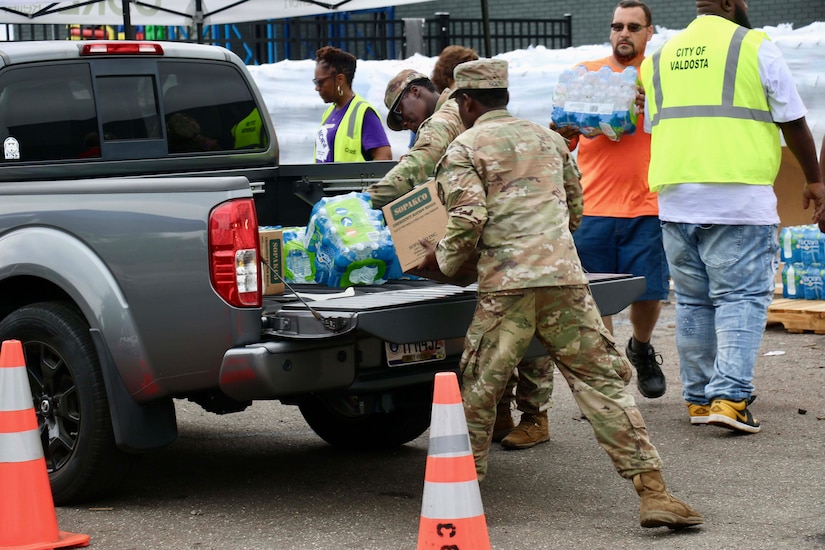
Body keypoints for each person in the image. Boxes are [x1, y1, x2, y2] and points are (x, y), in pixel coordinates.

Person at [419, 58, 703, 530]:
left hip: (507, 288)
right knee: (603, 384)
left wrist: (442, 264)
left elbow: (467, 222)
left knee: (480, 388)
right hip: (565, 281)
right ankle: (654, 492)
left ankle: (460, 499)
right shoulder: (550, 139)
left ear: (466, 102)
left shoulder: (465, 146)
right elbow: (575, 211)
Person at [640, 0, 825, 432]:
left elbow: (656, 126)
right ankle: (731, 397)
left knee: (692, 302)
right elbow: (792, 118)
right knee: (740, 298)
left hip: (676, 199)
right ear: (729, 3)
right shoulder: (754, 45)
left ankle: (701, 400)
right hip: (737, 198)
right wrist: (815, 180)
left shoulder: (660, 58)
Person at [368, 49, 555, 451]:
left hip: (510, 241)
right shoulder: (469, 111)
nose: (405, 123)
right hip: (495, 239)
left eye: (402, 113)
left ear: (418, 92)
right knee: (505, 330)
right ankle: (505, 413)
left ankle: (534, 416)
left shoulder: (447, 115)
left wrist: (367, 200)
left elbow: (420, 164)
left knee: (521, 329)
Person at [554, 0, 668, 400]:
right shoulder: (588, 75)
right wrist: (564, 123)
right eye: (617, 26)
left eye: (634, 27)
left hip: (648, 203)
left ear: (649, 33)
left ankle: (640, 347)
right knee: (596, 294)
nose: (624, 33)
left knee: (650, 291)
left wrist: (652, 109)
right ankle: (607, 376)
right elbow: (562, 139)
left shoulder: (659, 77)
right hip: (595, 206)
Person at [313, 46, 391, 163]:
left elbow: (384, 158)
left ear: (340, 79)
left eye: (320, 82)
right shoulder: (329, 113)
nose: (317, 88)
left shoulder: (364, 113)